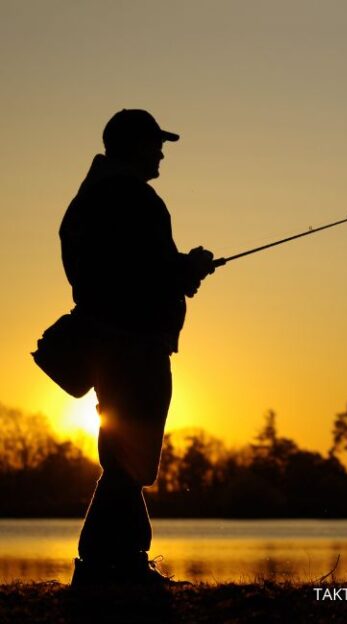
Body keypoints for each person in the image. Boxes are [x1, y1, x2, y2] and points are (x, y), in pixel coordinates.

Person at [60, 109, 215, 586]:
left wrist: (178, 271)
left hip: (111, 342)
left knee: (125, 455)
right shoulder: (135, 198)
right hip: (135, 344)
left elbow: (119, 269)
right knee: (132, 457)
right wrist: (187, 269)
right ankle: (110, 563)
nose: (162, 153)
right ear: (134, 146)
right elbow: (146, 272)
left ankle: (115, 562)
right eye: (155, 144)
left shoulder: (92, 197)